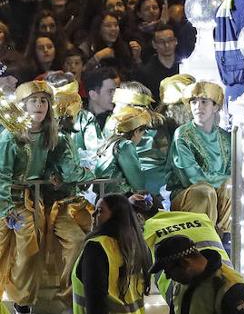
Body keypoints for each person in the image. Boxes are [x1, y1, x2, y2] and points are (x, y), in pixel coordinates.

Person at [0, 80, 93, 314]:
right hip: (9, 200)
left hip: (34, 201)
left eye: (43, 100)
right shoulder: (10, 137)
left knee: (31, 247)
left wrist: (54, 175)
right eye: (33, 100)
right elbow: (1, 174)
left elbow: (54, 167)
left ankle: (24, 301)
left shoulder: (51, 136)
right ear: (22, 106)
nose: (39, 105)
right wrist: (6, 208)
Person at [70, 193, 151, 314]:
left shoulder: (97, 247)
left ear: (116, 216)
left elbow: (96, 301)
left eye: (100, 211)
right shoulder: (139, 245)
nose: (93, 214)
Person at [169, 81, 230, 235]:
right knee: (205, 192)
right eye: (194, 102)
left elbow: (232, 172)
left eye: (204, 102)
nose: (198, 106)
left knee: (232, 186)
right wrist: (222, 181)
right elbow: (192, 177)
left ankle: (224, 236)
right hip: (189, 193)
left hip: (217, 194)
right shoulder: (182, 134)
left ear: (215, 107)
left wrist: (227, 182)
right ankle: (202, 238)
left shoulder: (226, 137)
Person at [152, 234, 244, 314]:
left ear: (185, 263)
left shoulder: (232, 288)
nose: (168, 276)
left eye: (169, 271)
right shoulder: (182, 285)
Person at [96, 106, 155, 195]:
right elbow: (137, 181)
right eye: (142, 133)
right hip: (116, 196)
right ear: (136, 132)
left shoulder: (112, 141)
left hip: (104, 194)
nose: (141, 137)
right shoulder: (126, 145)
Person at [134, 23, 180, 98]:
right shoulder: (146, 73)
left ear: (175, 41)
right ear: (154, 44)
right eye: (161, 42)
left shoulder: (186, 66)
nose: (167, 45)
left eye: (170, 40)